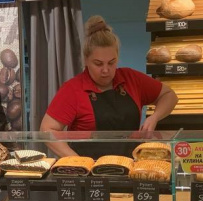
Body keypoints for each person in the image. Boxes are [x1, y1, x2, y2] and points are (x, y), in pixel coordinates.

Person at [40, 16, 178, 157]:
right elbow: (47, 130)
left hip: (131, 164)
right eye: (98, 64)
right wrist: (77, 161)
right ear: (86, 60)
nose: (105, 70)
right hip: (90, 169)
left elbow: (169, 95)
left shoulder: (131, 79)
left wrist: (155, 117)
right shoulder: (73, 89)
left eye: (111, 63)